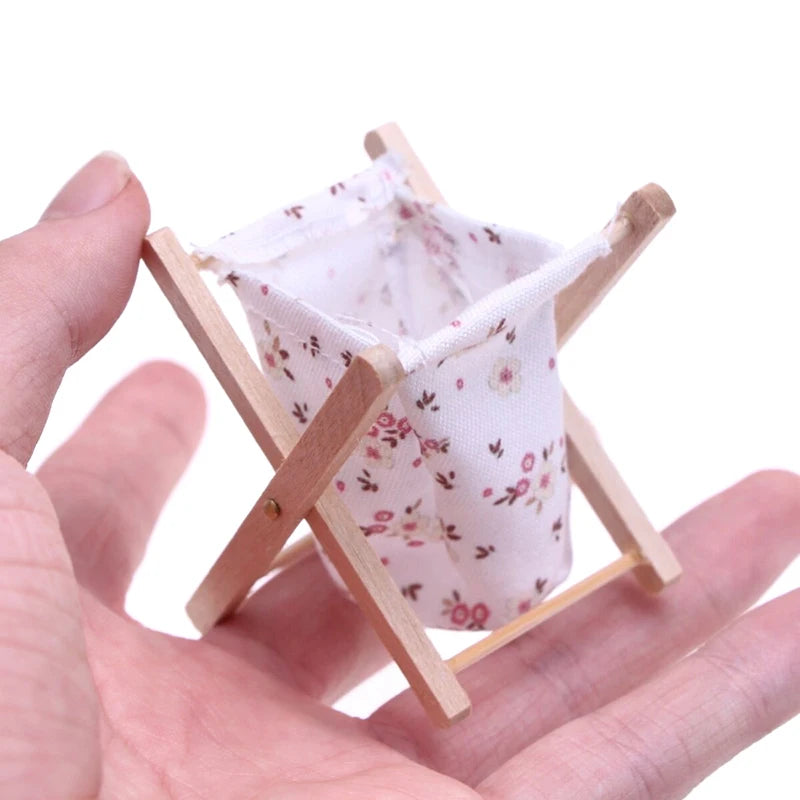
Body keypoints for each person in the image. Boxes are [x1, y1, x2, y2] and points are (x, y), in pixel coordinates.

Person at [0, 153, 797, 800]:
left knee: (441, 374)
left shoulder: (416, 256)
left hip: (421, 397)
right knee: (391, 392)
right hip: (386, 443)